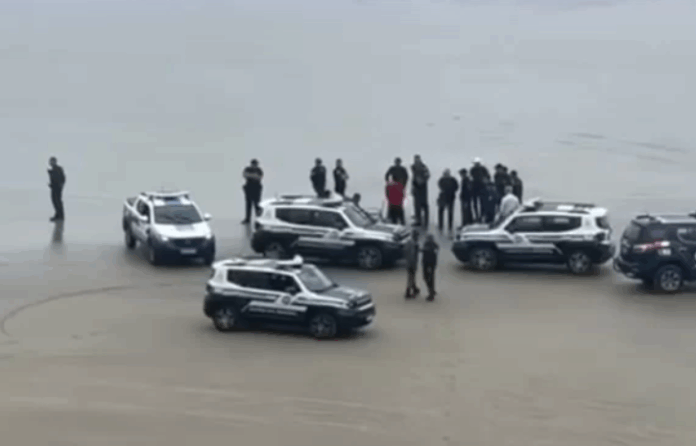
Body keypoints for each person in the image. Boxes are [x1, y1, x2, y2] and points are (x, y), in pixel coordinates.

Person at [241, 159, 263, 224]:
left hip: (256, 189)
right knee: (248, 204)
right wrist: (254, 176)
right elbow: (245, 175)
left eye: (255, 164)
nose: (254, 166)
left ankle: (258, 219)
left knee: (257, 205)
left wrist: (250, 176)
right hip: (249, 188)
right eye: (253, 164)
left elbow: (259, 177)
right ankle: (247, 219)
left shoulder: (259, 170)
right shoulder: (247, 169)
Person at [411, 155, 430, 227]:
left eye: (417, 160)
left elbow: (428, 175)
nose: (416, 161)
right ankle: (418, 220)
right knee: (417, 205)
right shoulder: (414, 167)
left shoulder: (423, 167)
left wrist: (421, 181)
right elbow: (413, 178)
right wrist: (413, 188)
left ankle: (425, 221)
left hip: (422, 189)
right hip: (416, 188)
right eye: (415, 160)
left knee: (424, 204)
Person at [470, 158, 489, 222]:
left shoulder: (483, 169)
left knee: (482, 203)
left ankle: (481, 216)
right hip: (475, 188)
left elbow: (487, 177)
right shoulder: (472, 169)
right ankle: (477, 216)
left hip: (482, 188)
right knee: (475, 203)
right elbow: (471, 178)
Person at [421, 234, 439, 301]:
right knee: (431, 278)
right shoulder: (434, 246)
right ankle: (432, 291)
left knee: (427, 278)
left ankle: (431, 293)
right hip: (431, 264)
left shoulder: (430, 246)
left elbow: (427, 251)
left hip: (428, 264)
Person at [47, 157, 66, 222]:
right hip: (54, 188)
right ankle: (58, 215)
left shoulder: (58, 169)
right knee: (55, 202)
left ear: (55, 162)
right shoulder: (53, 169)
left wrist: (61, 186)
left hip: (57, 188)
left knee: (57, 202)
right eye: (50, 161)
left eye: (52, 161)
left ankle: (60, 216)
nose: (51, 163)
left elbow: (62, 178)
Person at [403, 231, 420, 298]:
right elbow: (412, 254)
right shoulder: (413, 243)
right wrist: (413, 264)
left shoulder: (409, 242)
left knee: (412, 277)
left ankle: (415, 288)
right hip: (411, 263)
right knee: (411, 278)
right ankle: (408, 292)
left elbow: (405, 251)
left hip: (409, 262)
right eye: (417, 236)